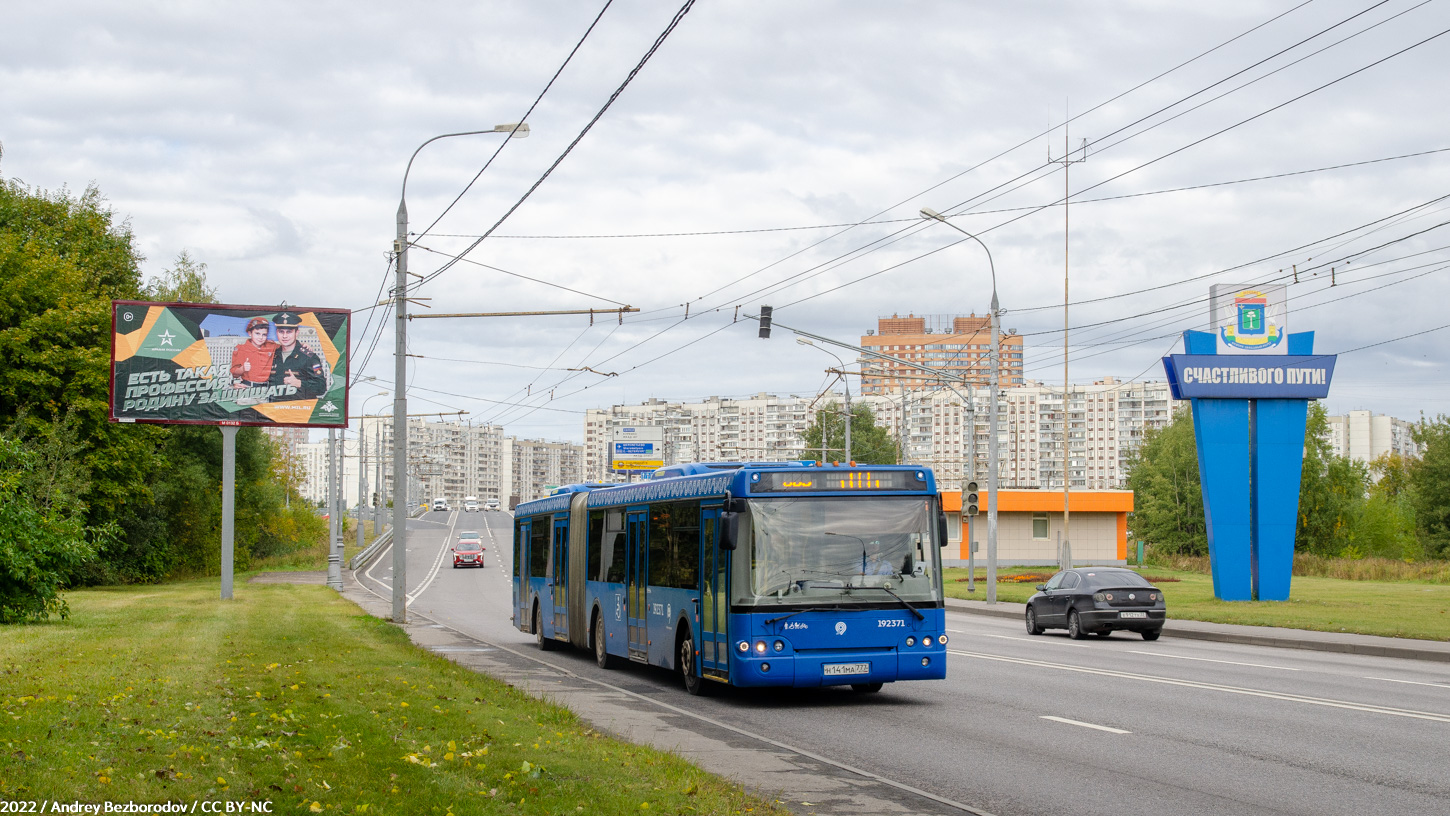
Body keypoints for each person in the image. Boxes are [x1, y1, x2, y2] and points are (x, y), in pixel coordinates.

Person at [267, 311, 328, 400]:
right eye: (281, 332)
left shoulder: (308, 356)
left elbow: (321, 387)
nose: (284, 336)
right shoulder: (272, 354)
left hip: (299, 410)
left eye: (289, 332)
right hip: (274, 410)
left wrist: (299, 383)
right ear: (277, 332)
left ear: (297, 333)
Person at [229, 317, 278, 387]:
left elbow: (287, 347)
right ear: (250, 333)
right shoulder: (241, 349)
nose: (261, 337)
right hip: (248, 387)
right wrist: (242, 369)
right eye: (257, 333)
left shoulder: (271, 346)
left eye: (264, 334)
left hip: (266, 388)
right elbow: (234, 373)